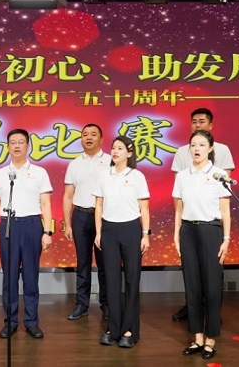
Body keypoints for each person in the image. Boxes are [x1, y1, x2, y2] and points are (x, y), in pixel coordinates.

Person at [0, 128, 53, 340]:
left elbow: (46, 203)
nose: (17, 146)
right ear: (7, 147)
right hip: (8, 225)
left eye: (21, 142)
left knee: (31, 277)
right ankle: (11, 322)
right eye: (13, 142)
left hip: (32, 225)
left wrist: (47, 231)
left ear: (28, 146)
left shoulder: (40, 172)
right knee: (10, 277)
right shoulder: (0, 174)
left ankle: (32, 322)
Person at [171, 108, 235, 322]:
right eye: (194, 121)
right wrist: (177, 232)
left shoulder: (222, 153)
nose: (197, 124)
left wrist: (227, 237)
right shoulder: (182, 156)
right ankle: (194, 316)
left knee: (212, 275)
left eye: (201, 121)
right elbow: (179, 198)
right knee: (191, 275)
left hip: (211, 223)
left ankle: (213, 316)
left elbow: (225, 199)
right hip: (189, 223)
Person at [93, 136, 150, 348]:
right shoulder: (103, 175)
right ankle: (113, 328)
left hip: (131, 229)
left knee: (132, 279)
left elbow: (144, 207)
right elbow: (98, 205)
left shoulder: (137, 176)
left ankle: (129, 329)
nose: (115, 151)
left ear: (129, 153)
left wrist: (145, 234)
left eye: (120, 148)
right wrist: (99, 232)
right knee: (111, 280)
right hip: (109, 229)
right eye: (113, 148)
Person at [62, 123, 109, 321]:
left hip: (104, 217)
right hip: (80, 215)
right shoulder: (74, 164)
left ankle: (107, 304)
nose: (88, 137)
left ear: (101, 139)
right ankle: (82, 304)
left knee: (105, 263)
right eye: (85, 134)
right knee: (83, 262)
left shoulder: (110, 161)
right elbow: (68, 195)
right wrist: (67, 224)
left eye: (93, 134)